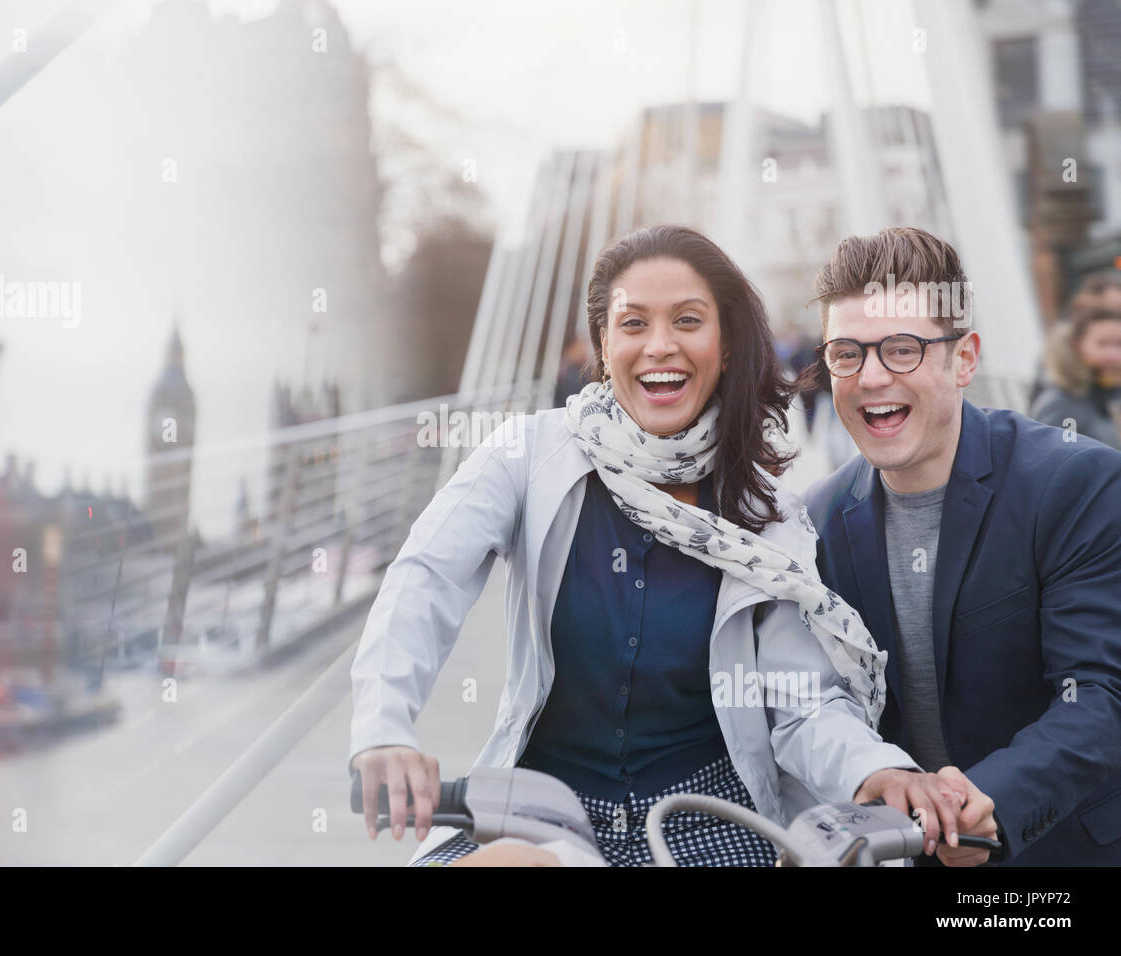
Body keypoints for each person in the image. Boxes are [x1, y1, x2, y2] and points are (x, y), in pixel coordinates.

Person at [349, 224, 967, 868]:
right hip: (540, 816)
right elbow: (424, 578)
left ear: (726, 346)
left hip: (710, 824)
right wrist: (384, 730)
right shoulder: (528, 455)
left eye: (688, 320)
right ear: (603, 345)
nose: (660, 346)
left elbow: (804, 705)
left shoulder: (771, 514)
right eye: (634, 324)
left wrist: (880, 771)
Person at [804, 226, 1121, 866]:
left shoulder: (1076, 482)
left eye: (901, 350)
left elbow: (1100, 694)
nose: (870, 378)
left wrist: (991, 803)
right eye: (846, 353)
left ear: (965, 359)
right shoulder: (818, 517)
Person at [1029, 301, 1121, 450]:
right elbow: (1057, 457)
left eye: (1119, 344)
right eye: (1102, 344)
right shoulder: (1061, 403)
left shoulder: (1112, 393)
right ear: (1076, 344)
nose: (1113, 354)